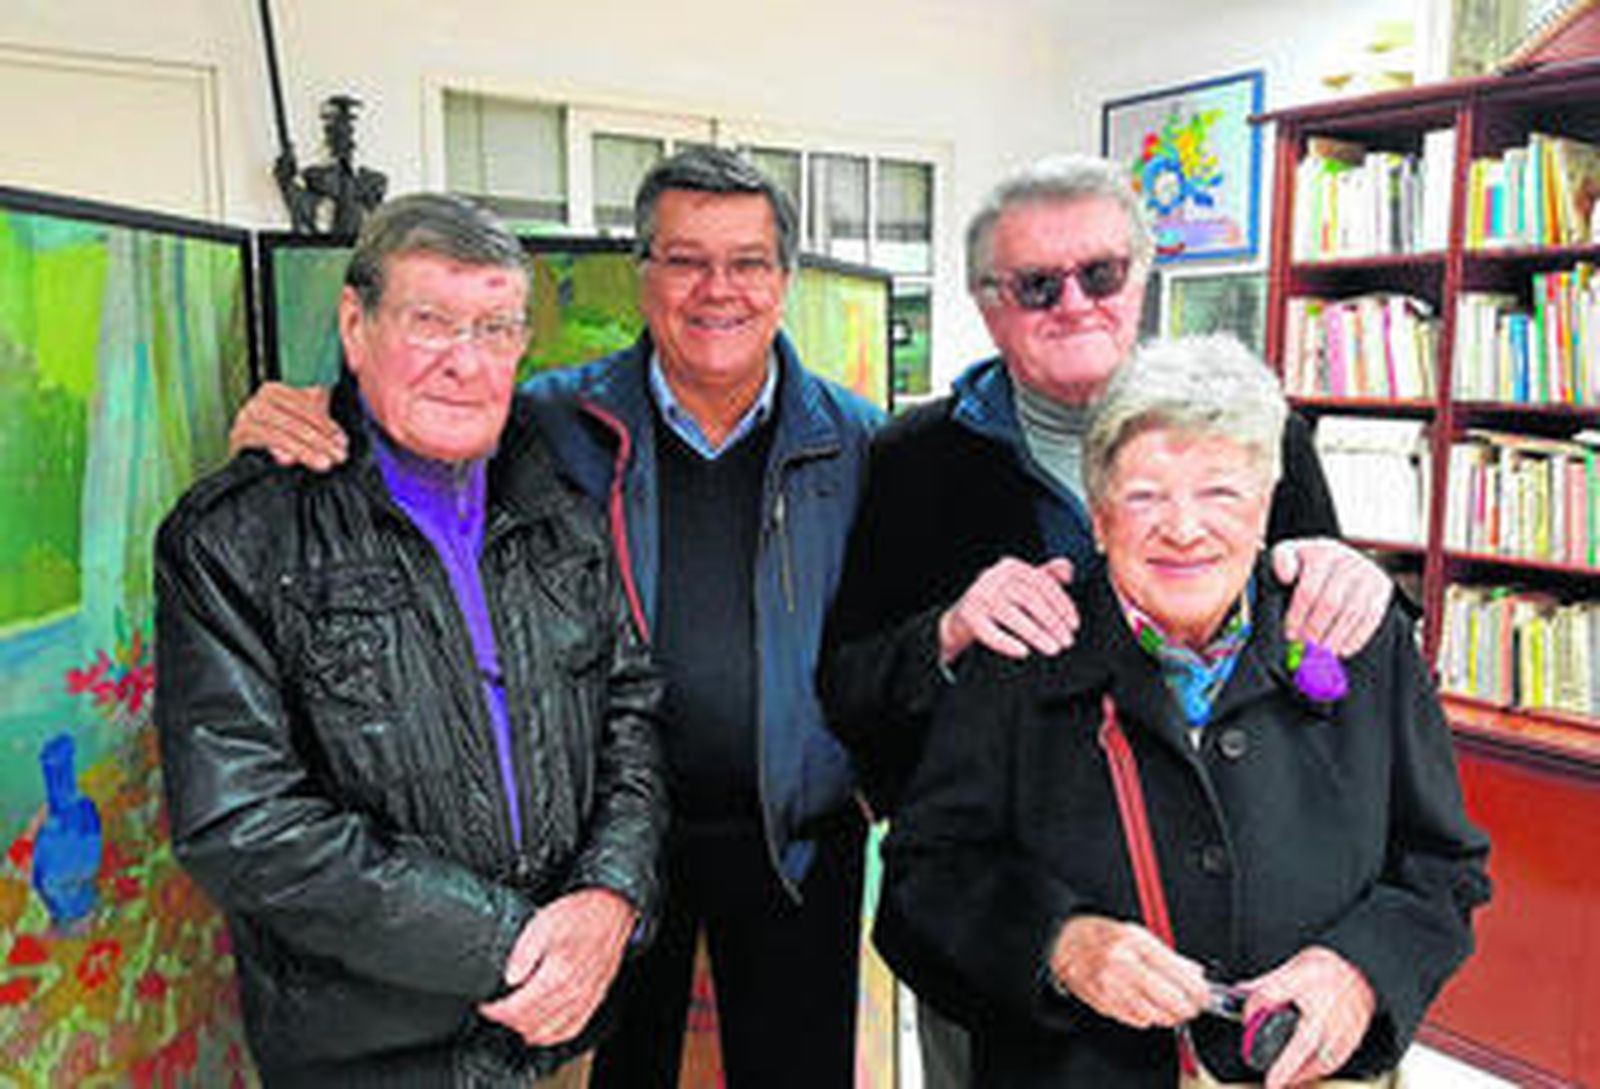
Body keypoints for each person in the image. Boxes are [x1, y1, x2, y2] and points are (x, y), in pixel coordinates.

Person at [226, 148, 882, 1088]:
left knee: (799, 1070)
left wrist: (870, 776)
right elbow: (411, 433)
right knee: (619, 1068)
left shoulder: (856, 438)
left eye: (747, 261)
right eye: (686, 259)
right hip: (603, 840)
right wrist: (301, 411)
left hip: (797, 838)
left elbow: (898, 633)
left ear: (785, 279)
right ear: (642, 271)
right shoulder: (546, 419)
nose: (717, 289)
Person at [819, 153, 1396, 1087]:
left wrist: (1356, 581)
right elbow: (849, 688)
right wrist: (948, 633)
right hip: (999, 927)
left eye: (1103, 272)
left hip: (1252, 940)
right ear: (988, 303)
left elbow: (1324, 642)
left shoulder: (1262, 434)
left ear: (1145, 278)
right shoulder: (912, 459)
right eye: (1038, 283)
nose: (1075, 302)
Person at [875, 334, 1491, 1088]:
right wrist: (1061, 943)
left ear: (1267, 505)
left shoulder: (1359, 639)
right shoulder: (1024, 648)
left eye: (1221, 492)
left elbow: (1443, 867)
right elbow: (924, 878)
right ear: (1098, 519)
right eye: (1144, 495)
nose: (1185, 527)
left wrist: (1360, 971)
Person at [154, 193, 668, 1088]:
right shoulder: (238, 537)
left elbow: (631, 716)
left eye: (496, 328)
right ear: (356, 325)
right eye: (430, 321)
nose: (465, 362)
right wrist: (516, 944)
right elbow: (242, 820)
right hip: (369, 1058)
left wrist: (610, 898)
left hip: (556, 1038)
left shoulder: (560, 512)